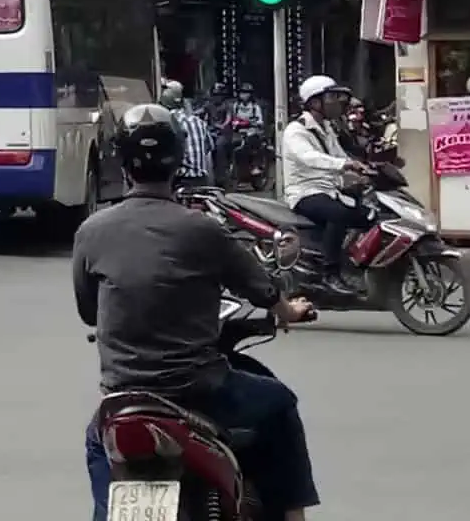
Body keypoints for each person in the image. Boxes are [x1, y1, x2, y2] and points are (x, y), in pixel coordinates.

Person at [76, 104, 319, 521]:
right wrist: (288, 311)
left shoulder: (92, 230)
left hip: (123, 397)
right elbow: (262, 289)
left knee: (97, 442)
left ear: (124, 163)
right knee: (279, 403)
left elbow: (87, 312)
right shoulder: (202, 229)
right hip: (198, 390)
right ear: (177, 162)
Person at [282, 75, 362, 294]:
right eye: (331, 97)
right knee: (338, 215)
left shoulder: (326, 128)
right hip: (304, 192)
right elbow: (309, 158)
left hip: (330, 190)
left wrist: (362, 169)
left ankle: (352, 265)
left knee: (367, 214)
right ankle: (330, 274)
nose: (337, 102)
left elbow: (338, 154)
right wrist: (344, 164)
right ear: (315, 102)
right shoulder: (295, 130)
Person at [163, 79, 214, 190]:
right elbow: (209, 147)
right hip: (202, 180)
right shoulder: (198, 122)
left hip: (180, 181)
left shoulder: (168, 124)